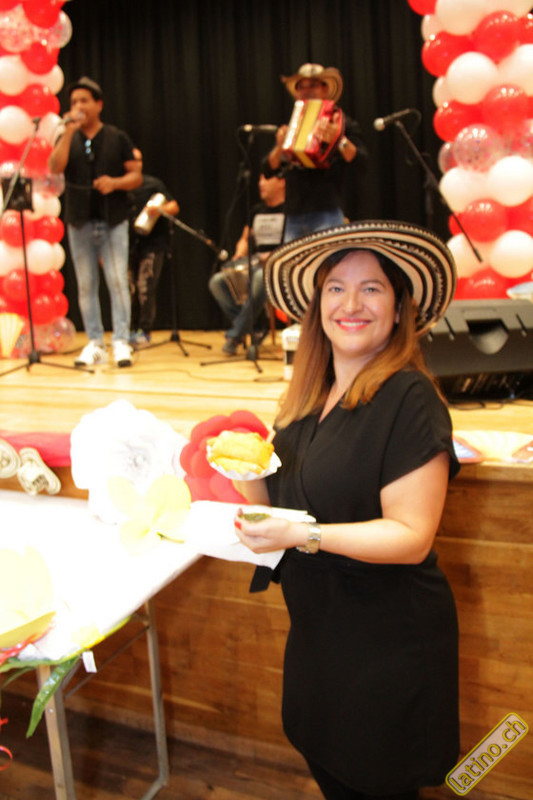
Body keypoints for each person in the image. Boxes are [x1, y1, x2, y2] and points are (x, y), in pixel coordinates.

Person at [232, 220, 460, 800]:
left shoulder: (410, 398)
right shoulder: (306, 400)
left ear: (399, 307)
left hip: (386, 648)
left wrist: (301, 537)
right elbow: (280, 510)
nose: (351, 304)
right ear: (317, 307)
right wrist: (241, 471)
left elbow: (410, 535)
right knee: (332, 774)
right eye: (336, 288)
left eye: (371, 288)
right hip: (321, 640)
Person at [49, 76, 142, 367]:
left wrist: (115, 183)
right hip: (79, 221)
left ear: (99, 104)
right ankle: (95, 343)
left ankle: (121, 341)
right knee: (86, 285)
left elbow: (136, 176)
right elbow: (55, 167)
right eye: (74, 102)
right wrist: (67, 133)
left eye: (84, 101)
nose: (78, 106)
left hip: (113, 220)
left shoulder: (117, 137)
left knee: (117, 280)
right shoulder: (68, 137)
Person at [263, 63, 368, 242]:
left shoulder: (341, 122)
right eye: (301, 87)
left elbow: (361, 161)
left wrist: (338, 139)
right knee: (294, 261)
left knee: (330, 259)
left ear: (325, 89)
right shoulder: (293, 124)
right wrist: (280, 147)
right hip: (293, 215)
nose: (306, 91)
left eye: (312, 85)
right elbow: (268, 169)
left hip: (326, 211)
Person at [208, 170, 285, 355]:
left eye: (266, 179)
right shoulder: (257, 211)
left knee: (259, 278)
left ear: (282, 182)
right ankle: (255, 328)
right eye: (260, 179)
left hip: (279, 265)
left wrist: (272, 255)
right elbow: (244, 238)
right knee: (217, 282)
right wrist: (239, 252)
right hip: (255, 262)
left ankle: (235, 335)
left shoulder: (290, 210)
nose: (261, 183)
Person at [128, 163, 180, 346]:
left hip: (152, 245)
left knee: (145, 287)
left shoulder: (153, 184)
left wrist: (159, 210)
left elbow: (174, 206)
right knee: (129, 288)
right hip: (128, 245)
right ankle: (129, 328)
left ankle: (144, 330)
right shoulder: (120, 186)